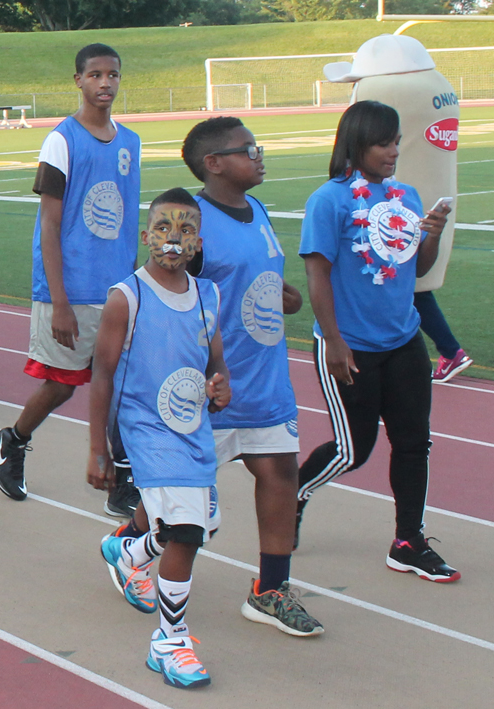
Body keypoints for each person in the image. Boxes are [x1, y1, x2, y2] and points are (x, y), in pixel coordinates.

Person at [109, 116, 324, 638]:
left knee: (279, 475)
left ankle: (270, 590)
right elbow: (167, 294)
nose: (259, 154)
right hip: (211, 387)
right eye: (248, 148)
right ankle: (128, 543)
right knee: (178, 496)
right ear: (214, 163)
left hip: (266, 378)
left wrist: (283, 293)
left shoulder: (257, 209)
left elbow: (251, 275)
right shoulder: (189, 221)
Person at [295, 101, 460, 583]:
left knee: (413, 443)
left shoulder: (405, 196)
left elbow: (418, 270)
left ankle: (408, 540)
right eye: (383, 143)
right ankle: (295, 492)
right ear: (357, 143)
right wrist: (334, 341)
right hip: (352, 345)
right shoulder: (330, 200)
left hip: (404, 340)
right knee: (354, 450)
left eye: (396, 142)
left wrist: (433, 232)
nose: (393, 151)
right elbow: (317, 274)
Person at [88, 188, 231, 689]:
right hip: (145, 430)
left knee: (200, 527)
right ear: (147, 235)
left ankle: (131, 552)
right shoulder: (126, 296)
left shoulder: (208, 296)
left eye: (186, 230)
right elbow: (102, 374)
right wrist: (98, 449)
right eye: (164, 229)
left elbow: (214, 365)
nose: (174, 239)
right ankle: (169, 642)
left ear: (197, 242)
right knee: (188, 532)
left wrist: (219, 389)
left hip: (192, 427)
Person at [0, 43, 141, 517]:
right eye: (95, 75)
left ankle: (122, 480)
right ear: (77, 80)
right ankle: (13, 440)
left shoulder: (131, 142)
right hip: (69, 289)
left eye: (112, 75)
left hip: (117, 289)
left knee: (124, 385)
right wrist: (58, 300)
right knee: (62, 384)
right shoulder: (62, 140)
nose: (105, 83)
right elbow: (51, 225)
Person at [323, 34, 472, 383]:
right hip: (423, 199)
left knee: (401, 280)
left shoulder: (381, 95)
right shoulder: (439, 84)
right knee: (411, 283)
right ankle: (448, 349)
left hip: (387, 208)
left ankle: (449, 349)